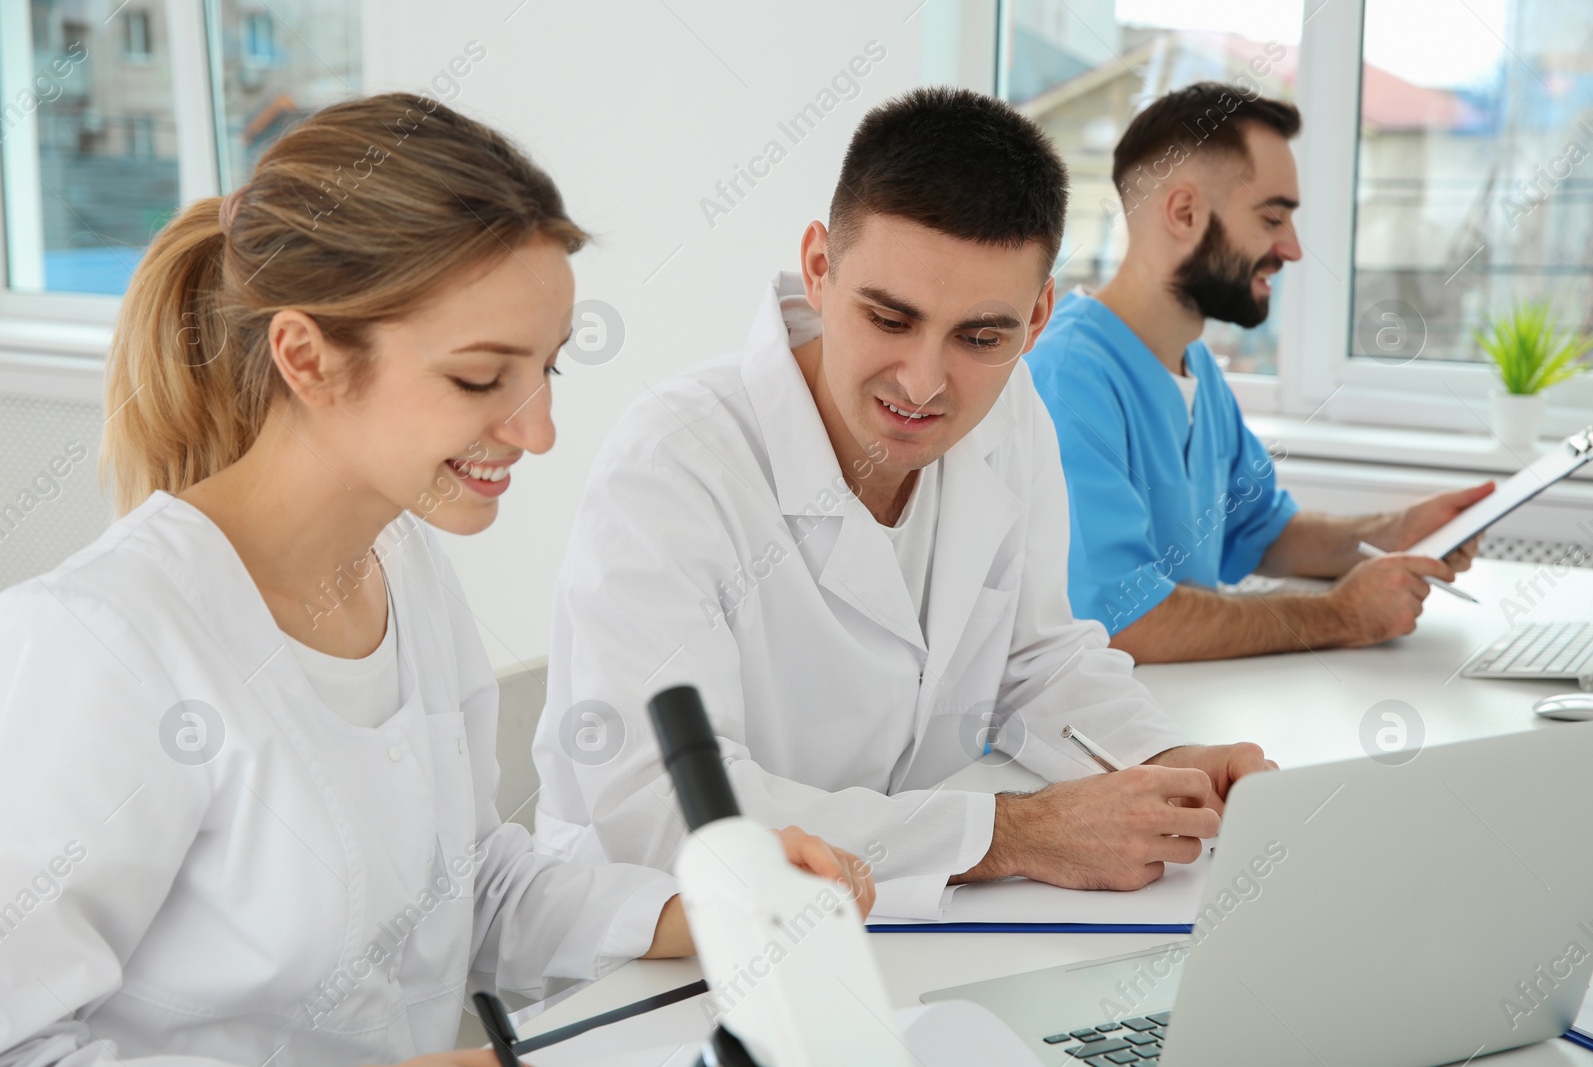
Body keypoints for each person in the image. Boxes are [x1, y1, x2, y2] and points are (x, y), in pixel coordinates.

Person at [0, 93, 870, 1067]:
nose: (536, 431)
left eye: (547, 372)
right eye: (479, 378)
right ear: (306, 357)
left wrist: (703, 905)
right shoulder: (97, 643)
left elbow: (470, 884)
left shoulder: (403, 571)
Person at [532, 87, 1274, 919]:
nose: (923, 383)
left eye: (980, 337)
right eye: (890, 318)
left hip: (894, 921)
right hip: (671, 942)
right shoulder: (674, 463)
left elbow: (1035, 661)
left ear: (1036, 320)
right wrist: (1008, 835)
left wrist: (1169, 762)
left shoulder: (1012, 410)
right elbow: (666, 808)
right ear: (818, 268)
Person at [1024, 83, 1494, 663]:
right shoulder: (1066, 378)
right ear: (1185, 212)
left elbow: (1263, 532)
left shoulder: (1196, 367)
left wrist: (1396, 530)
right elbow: (1121, 620)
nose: (1292, 249)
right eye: (1272, 217)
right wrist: (1341, 615)